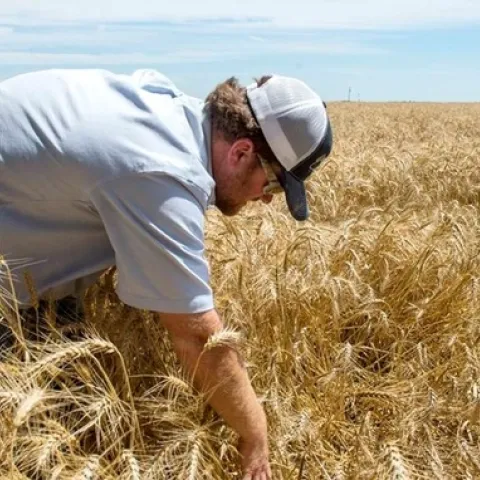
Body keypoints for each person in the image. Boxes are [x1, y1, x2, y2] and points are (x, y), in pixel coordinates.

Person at [0, 68, 333, 478]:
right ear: (242, 152)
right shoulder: (163, 172)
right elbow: (196, 335)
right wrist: (255, 434)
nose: (266, 200)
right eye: (276, 185)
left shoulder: (169, 107)